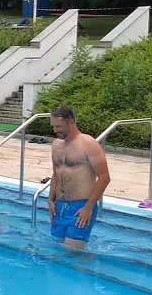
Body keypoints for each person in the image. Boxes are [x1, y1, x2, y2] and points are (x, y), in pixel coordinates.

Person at [47, 106, 111, 248]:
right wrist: (51, 200)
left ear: (71, 122)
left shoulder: (88, 143)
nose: (55, 130)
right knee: (56, 248)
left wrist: (88, 207)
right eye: (53, 126)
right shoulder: (56, 145)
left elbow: (104, 177)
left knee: (71, 253)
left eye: (58, 126)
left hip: (80, 207)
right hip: (59, 207)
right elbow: (56, 174)